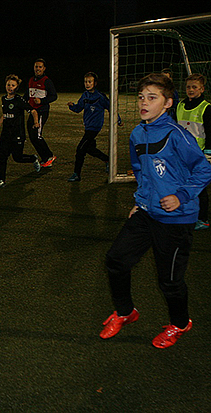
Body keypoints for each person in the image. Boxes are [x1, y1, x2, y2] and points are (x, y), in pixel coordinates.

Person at [101, 73, 211, 349]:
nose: (144, 102)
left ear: (167, 104)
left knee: (170, 281)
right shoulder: (138, 133)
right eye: (141, 97)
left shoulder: (177, 135)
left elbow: (204, 169)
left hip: (176, 219)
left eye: (152, 97)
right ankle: (126, 312)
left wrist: (181, 196)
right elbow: (141, 171)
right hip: (147, 213)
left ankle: (180, 323)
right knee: (116, 260)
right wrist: (140, 200)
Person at [66, 72, 121, 182]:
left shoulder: (100, 97)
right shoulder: (85, 96)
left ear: (95, 83)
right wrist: (72, 107)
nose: (87, 84)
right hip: (87, 127)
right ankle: (107, 160)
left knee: (80, 149)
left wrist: (118, 119)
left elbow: (111, 108)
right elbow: (78, 108)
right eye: (86, 81)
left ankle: (76, 174)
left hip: (94, 128)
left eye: (90, 82)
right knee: (89, 149)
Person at [0, 74, 41, 189]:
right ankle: (1, 180)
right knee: (1, 156)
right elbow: (5, 114)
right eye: (8, 84)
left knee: (17, 158)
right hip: (6, 134)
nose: (10, 87)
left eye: (13, 85)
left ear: (17, 87)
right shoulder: (4, 99)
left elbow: (33, 111)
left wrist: (36, 122)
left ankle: (33, 158)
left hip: (17, 134)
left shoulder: (19, 100)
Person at [176, 73, 211, 230]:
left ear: (202, 89)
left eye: (194, 87)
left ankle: (202, 219)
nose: (191, 90)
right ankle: (184, 212)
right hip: (181, 153)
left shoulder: (206, 108)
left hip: (199, 155)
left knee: (199, 187)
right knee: (181, 182)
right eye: (188, 87)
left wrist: (208, 154)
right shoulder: (180, 106)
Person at [23, 58, 57, 167]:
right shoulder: (31, 80)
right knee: (32, 137)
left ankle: (49, 156)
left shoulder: (47, 81)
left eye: (40, 67)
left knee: (37, 136)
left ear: (44, 69)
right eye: (36, 66)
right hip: (33, 112)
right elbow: (26, 95)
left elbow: (54, 96)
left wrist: (42, 101)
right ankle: (45, 158)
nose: (38, 69)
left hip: (42, 111)